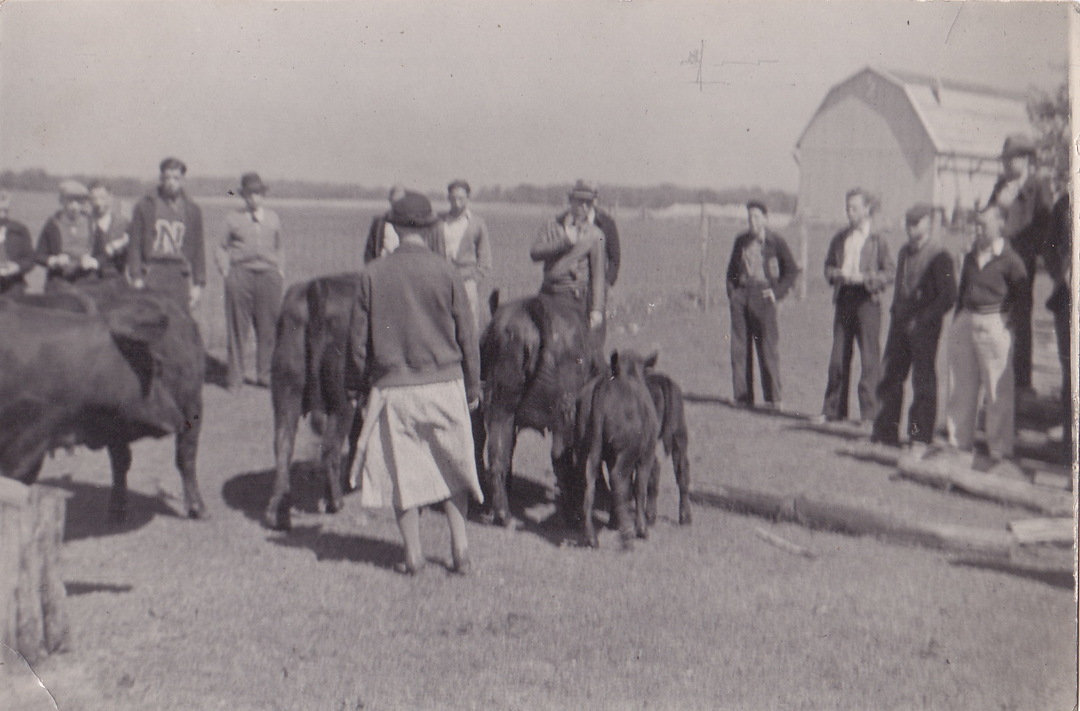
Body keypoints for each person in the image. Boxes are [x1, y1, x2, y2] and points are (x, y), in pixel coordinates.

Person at [348, 191, 482, 576]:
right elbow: (468, 337)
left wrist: (360, 388)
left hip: (394, 387)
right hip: (444, 383)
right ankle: (461, 550)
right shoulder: (447, 271)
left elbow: (357, 345)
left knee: (401, 471)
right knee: (455, 468)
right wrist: (472, 386)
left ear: (394, 226)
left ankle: (413, 555)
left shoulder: (372, 273)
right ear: (428, 227)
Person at [945, 204, 1028, 472]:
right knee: (961, 386)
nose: (979, 229)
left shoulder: (1011, 259)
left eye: (985, 224)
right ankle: (958, 443)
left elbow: (1023, 297)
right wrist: (958, 319)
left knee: (997, 388)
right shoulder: (971, 256)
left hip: (994, 323)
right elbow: (961, 292)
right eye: (977, 224)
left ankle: (999, 450)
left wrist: (1007, 322)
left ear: (1001, 225)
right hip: (967, 321)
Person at [871, 204, 957, 454]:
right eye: (908, 223)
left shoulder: (940, 255)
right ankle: (885, 432)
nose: (911, 228)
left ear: (928, 223)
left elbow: (948, 296)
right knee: (890, 377)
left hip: (924, 328)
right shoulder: (903, 252)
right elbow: (899, 288)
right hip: (900, 325)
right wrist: (897, 314)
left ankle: (919, 437)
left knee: (923, 381)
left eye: (916, 223)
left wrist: (924, 319)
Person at [817, 188, 894, 425]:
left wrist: (867, 278)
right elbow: (828, 266)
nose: (849, 213)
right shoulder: (840, 238)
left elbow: (890, 272)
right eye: (847, 208)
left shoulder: (878, 239)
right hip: (844, 298)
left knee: (870, 359)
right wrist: (836, 275)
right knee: (838, 357)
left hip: (867, 301)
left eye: (854, 208)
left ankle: (869, 415)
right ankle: (833, 412)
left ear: (867, 210)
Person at [987, 134, 1053, 395]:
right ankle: (998, 376)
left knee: (1021, 317)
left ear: (1025, 160)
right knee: (997, 315)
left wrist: (1033, 251)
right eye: (1003, 159)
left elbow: (1045, 223)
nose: (1005, 164)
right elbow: (989, 216)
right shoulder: (1002, 184)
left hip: (1022, 261)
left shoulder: (1038, 185)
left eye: (1009, 159)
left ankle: (1022, 382)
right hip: (998, 260)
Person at [724, 200, 799, 411]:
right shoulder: (740, 241)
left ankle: (773, 400)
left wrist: (776, 293)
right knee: (739, 348)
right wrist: (733, 293)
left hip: (764, 295)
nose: (752, 222)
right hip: (742, 295)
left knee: (767, 347)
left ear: (765, 219)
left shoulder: (776, 242)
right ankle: (742, 397)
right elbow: (731, 270)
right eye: (749, 217)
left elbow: (791, 271)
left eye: (757, 217)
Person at [216, 172, 285, 390]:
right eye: (249, 194)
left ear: (263, 195)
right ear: (243, 196)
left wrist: (280, 270)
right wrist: (226, 271)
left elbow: (280, 246)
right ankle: (235, 378)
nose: (254, 198)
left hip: (268, 277)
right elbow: (220, 247)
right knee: (238, 328)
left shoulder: (273, 218)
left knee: (268, 328)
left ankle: (265, 375)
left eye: (258, 193)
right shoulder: (232, 219)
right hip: (241, 275)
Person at [127, 157, 206, 310]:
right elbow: (134, 245)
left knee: (179, 323)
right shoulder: (145, 206)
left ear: (183, 179)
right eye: (167, 177)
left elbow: (198, 248)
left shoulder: (192, 210)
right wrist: (136, 276)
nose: (171, 182)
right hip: (152, 271)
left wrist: (198, 284)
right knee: (150, 322)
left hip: (179, 274)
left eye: (176, 178)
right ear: (161, 178)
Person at [530, 182, 607, 336]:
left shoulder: (595, 235)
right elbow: (535, 253)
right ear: (571, 201)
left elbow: (598, 276)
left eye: (588, 203)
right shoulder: (552, 226)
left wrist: (597, 309)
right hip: (547, 292)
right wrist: (563, 243)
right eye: (580, 202)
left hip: (573, 296)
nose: (584, 207)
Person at [439, 179, 492, 332]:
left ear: (468, 198)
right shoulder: (438, 221)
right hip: (441, 281)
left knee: (468, 326)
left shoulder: (477, 223)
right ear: (448, 198)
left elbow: (485, 259)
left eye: (461, 198)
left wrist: (474, 280)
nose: (457, 202)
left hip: (467, 282)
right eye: (453, 198)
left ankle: (470, 356)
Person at [1045, 191, 1072, 470]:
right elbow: (1048, 248)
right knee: (1070, 377)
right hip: (1067, 300)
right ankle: (1069, 451)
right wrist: (1060, 273)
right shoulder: (1063, 204)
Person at [35, 179, 99, 290]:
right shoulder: (53, 224)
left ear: (84, 203)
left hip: (86, 279)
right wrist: (54, 260)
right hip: (59, 280)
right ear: (61, 201)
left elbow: (102, 253)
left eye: (78, 201)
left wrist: (92, 261)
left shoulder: (91, 223)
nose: (74, 206)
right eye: (70, 201)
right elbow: (38, 255)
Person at [558, 179, 621, 287]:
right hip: (566, 286)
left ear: (593, 201)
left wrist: (607, 284)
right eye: (579, 200)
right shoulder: (561, 221)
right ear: (571, 200)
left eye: (587, 201)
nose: (583, 205)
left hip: (595, 284)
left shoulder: (606, 223)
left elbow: (614, 259)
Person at [88, 180, 130, 280]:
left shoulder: (123, 223)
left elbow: (132, 251)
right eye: (94, 198)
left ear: (110, 198)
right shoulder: (85, 222)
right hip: (89, 279)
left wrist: (120, 246)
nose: (98, 203)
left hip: (115, 278)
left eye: (102, 198)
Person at [0, 189, 36, 295]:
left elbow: (31, 259)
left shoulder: (19, 230)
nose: (2, 215)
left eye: (5, 210)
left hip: (14, 286)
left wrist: (17, 267)